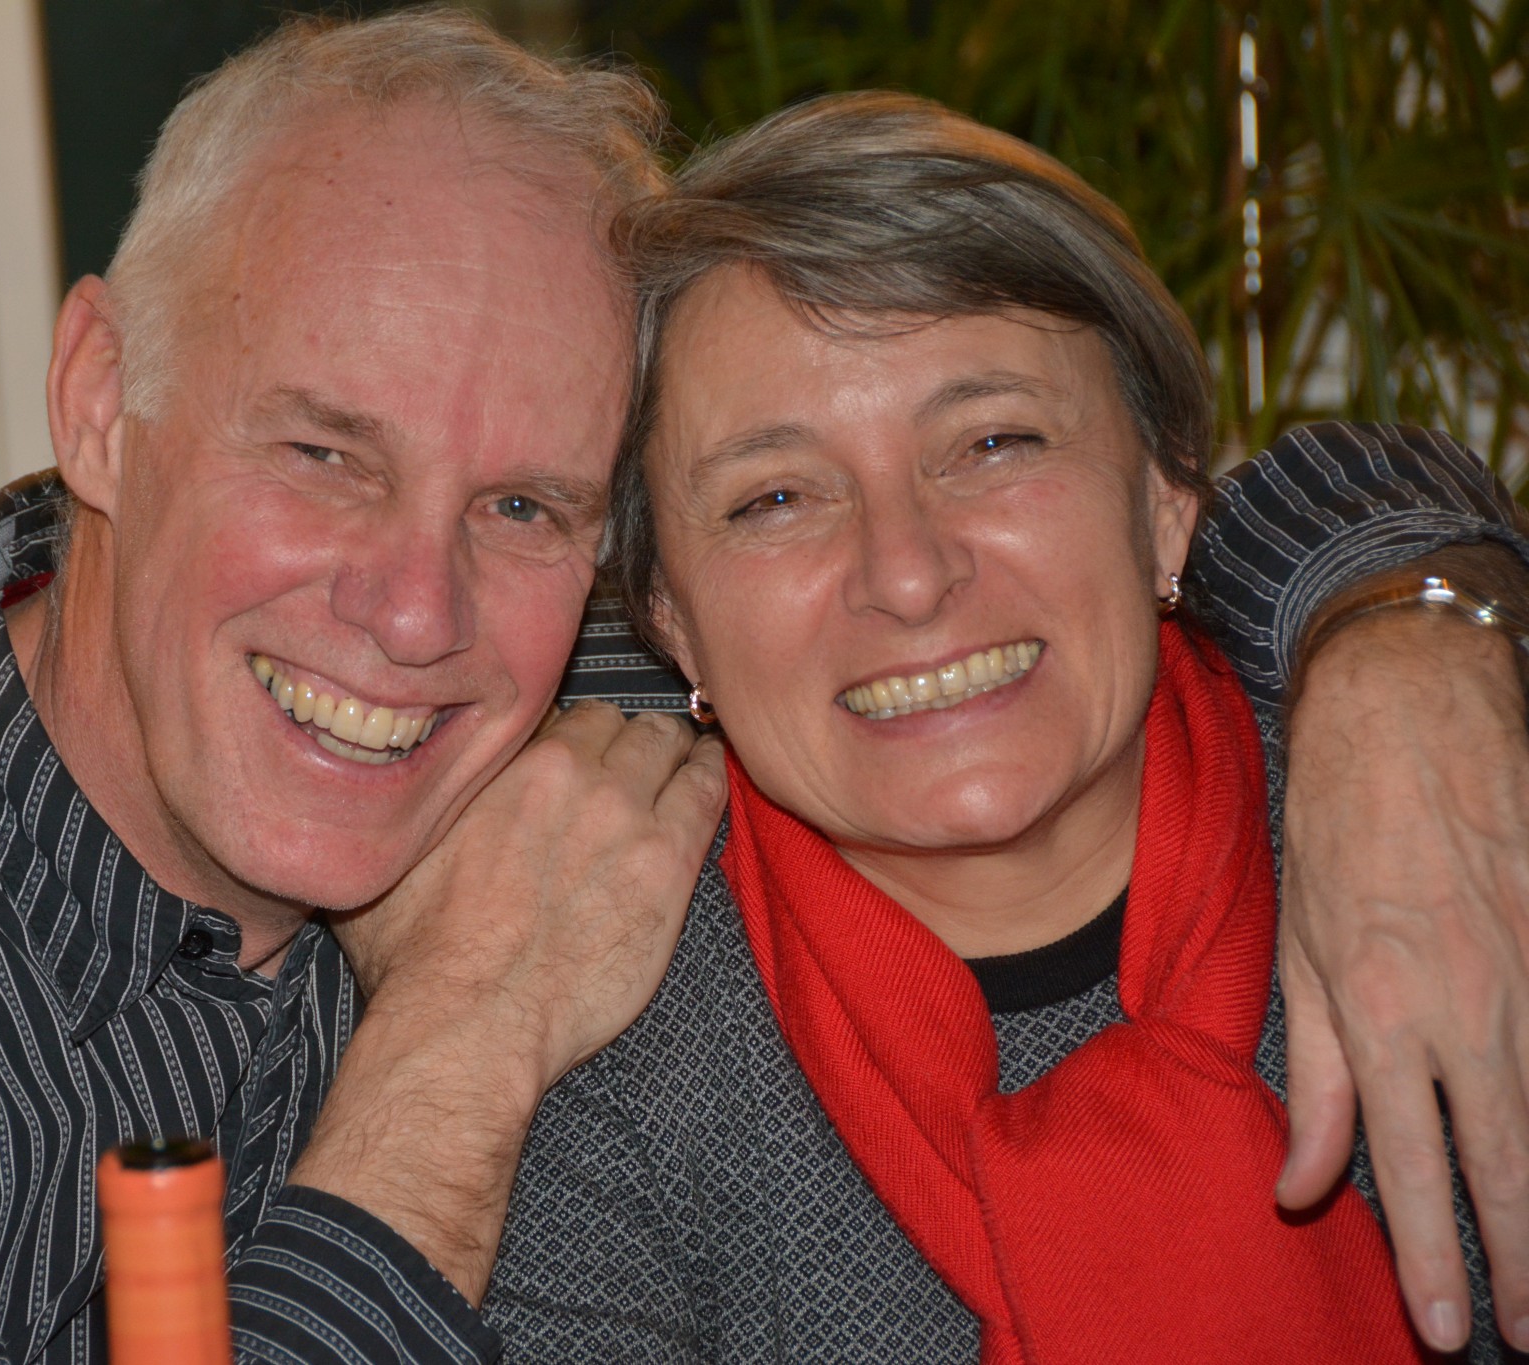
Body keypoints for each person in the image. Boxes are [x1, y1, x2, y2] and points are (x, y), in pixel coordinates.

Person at [0, 12, 1522, 1362]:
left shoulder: (640, 642)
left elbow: (1074, 544)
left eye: (525, 502)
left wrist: (1404, 640)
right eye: (320, 452)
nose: (411, 610)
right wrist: (457, 1043)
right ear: (100, 399)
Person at [485, 91, 1529, 1362]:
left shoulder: (1451, 829)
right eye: (773, 499)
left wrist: (1417, 627)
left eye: (990, 441)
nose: (907, 573)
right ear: (670, 623)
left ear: (1165, 501)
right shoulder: (601, 1042)